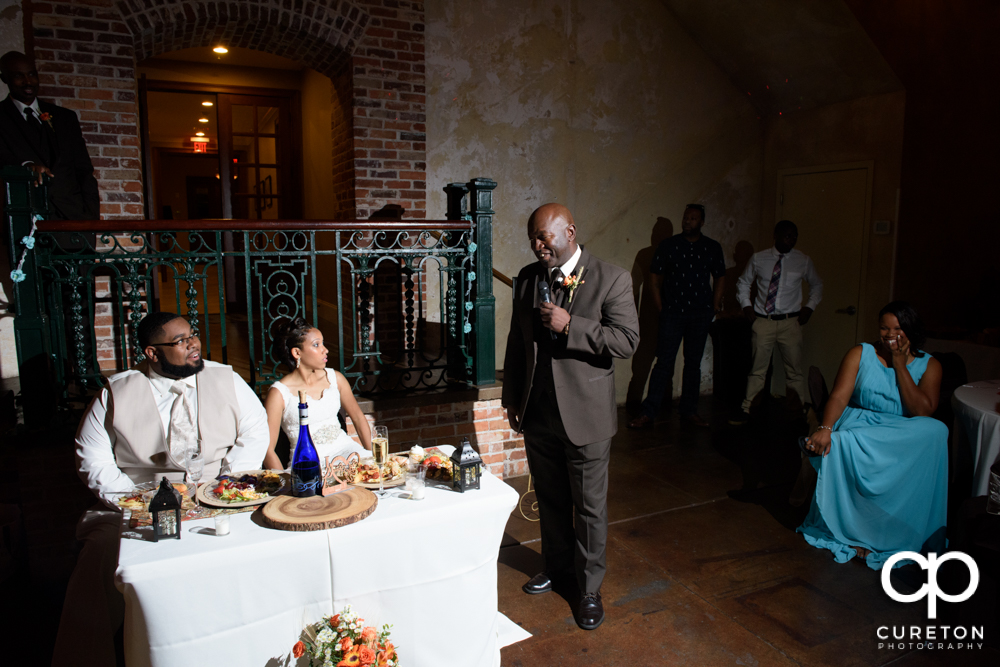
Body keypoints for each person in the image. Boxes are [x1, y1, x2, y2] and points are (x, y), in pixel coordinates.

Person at [53, 312, 269, 666]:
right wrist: (136, 501)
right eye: (181, 341)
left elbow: (255, 429)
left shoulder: (225, 378)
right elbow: (91, 458)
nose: (194, 344)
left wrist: (227, 484)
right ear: (152, 353)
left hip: (220, 493)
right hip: (140, 499)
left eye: (193, 335)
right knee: (101, 556)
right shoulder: (116, 390)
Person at [502, 203, 639, 631]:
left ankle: (588, 588)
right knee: (552, 499)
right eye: (532, 238)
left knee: (590, 509)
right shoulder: (526, 279)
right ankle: (557, 568)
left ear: (571, 232)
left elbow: (627, 340)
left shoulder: (611, 277)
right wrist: (511, 398)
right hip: (539, 413)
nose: (537, 244)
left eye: (544, 236)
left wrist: (570, 326)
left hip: (587, 418)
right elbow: (516, 342)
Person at [797, 302, 947, 570]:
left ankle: (897, 530)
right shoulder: (861, 353)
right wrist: (826, 428)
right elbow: (840, 396)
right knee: (843, 440)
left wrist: (900, 366)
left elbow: (922, 411)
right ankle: (853, 531)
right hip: (861, 423)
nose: (890, 335)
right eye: (884, 328)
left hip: (900, 431)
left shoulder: (930, 364)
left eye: (898, 329)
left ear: (911, 331)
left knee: (937, 430)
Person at [628, 204, 724, 429]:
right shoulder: (668, 246)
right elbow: (653, 278)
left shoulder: (711, 247)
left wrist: (714, 305)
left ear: (701, 222)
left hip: (700, 314)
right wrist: (661, 307)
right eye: (685, 218)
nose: (688, 221)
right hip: (672, 313)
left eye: (693, 218)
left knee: (693, 364)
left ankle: (689, 411)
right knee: (663, 363)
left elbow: (720, 275)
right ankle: (648, 411)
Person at [730, 220, 822, 424]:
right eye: (787, 235)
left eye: (794, 236)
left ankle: (795, 414)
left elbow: (817, 285)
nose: (792, 240)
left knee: (794, 371)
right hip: (764, 321)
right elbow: (743, 282)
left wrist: (809, 307)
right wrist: (746, 305)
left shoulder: (802, 260)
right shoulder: (759, 258)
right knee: (757, 370)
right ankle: (749, 410)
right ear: (776, 235)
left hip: (790, 322)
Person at [0, 51, 99, 220]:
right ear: (4, 79)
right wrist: (25, 166)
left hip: (72, 218)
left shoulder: (65, 117)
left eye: (32, 74)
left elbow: (83, 170)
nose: (28, 81)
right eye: (18, 76)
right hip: (24, 220)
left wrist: (91, 218)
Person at [263, 318, 371, 470]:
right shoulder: (279, 393)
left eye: (323, 343)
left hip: (348, 452)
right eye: (316, 345)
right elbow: (267, 450)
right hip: (307, 464)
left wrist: (372, 458)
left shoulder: (335, 378)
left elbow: (359, 419)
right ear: (297, 352)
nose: (325, 350)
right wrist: (284, 484)